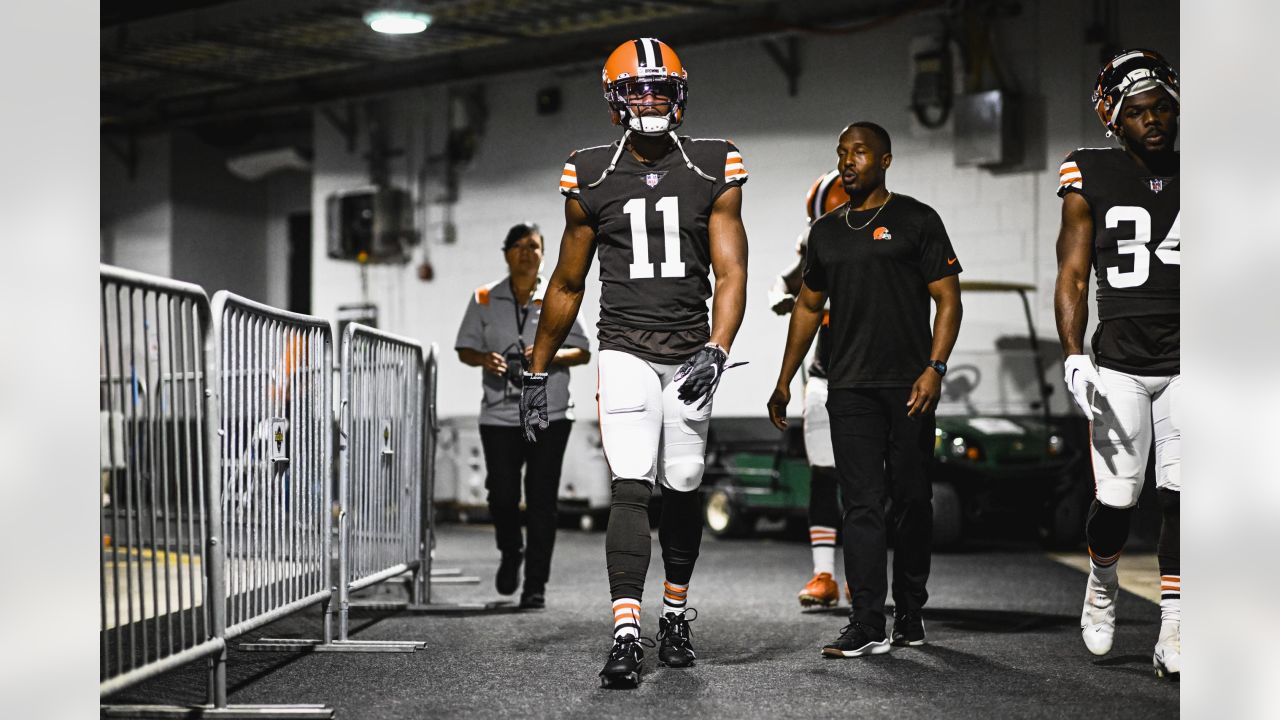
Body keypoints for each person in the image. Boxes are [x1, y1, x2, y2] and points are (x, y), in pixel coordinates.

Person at [520, 37, 748, 688]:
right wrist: (538, 367)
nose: (648, 100)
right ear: (614, 99)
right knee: (629, 483)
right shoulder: (590, 173)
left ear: (679, 95)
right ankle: (626, 630)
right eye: (636, 90)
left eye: (659, 88)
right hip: (623, 345)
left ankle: (674, 614)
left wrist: (720, 345)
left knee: (682, 481)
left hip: (692, 351)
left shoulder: (712, 164)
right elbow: (566, 284)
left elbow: (732, 271)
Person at [767, 122, 962, 659]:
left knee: (912, 501)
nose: (848, 161)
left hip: (909, 386)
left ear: (885, 159)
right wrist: (785, 377)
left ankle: (911, 611)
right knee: (860, 505)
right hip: (848, 386)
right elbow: (807, 307)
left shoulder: (917, 219)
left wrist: (935, 368)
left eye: (858, 153)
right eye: (841, 153)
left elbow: (949, 299)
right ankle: (867, 621)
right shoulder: (826, 232)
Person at [1053, 49, 1180, 679]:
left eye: (1162, 107)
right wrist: (1074, 355)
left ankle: (1177, 625)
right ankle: (1102, 582)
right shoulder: (1089, 171)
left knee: (1187, 497)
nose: (1153, 120)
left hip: (1195, 362)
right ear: (1114, 118)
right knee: (1119, 499)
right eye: (1138, 112)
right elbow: (1073, 272)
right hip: (1123, 363)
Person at [454, 222, 591, 610]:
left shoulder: (557, 293)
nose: (526, 252)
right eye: (517, 246)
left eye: (533, 245)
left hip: (547, 410)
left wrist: (547, 354)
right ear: (506, 254)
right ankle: (511, 550)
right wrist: (484, 358)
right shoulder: (483, 298)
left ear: (543, 254)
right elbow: (464, 348)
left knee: (542, 498)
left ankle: (535, 586)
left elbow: (582, 350)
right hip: (499, 412)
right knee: (502, 495)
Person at [767, 169, 850, 608]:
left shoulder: (889, 234)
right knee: (824, 472)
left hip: (871, 375)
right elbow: (784, 283)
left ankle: (861, 570)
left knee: (867, 481)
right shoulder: (818, 239)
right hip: (826, 373)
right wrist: (781, 298)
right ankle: (824, 574)